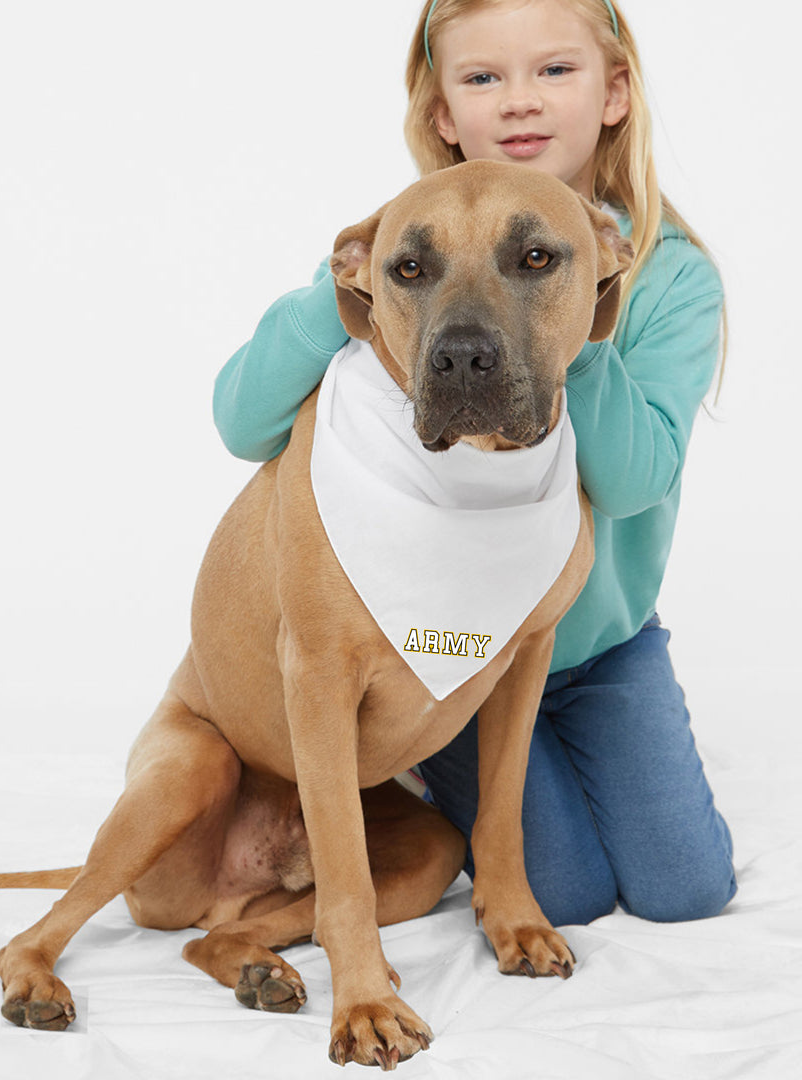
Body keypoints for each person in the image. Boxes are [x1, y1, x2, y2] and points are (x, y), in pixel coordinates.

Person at [212, 0, 737, 928]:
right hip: (446, 659)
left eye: (555, 71)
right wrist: (352, 280)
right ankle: (408, 760)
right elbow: (241, 422)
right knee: (566, 893)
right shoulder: (410, 252)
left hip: (601, 643)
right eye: (483, 77)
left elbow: (628, 480)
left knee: (686, 889)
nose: (520, 103)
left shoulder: (667, 273)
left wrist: (578, 296)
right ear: (444, 114)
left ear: (616, 92)